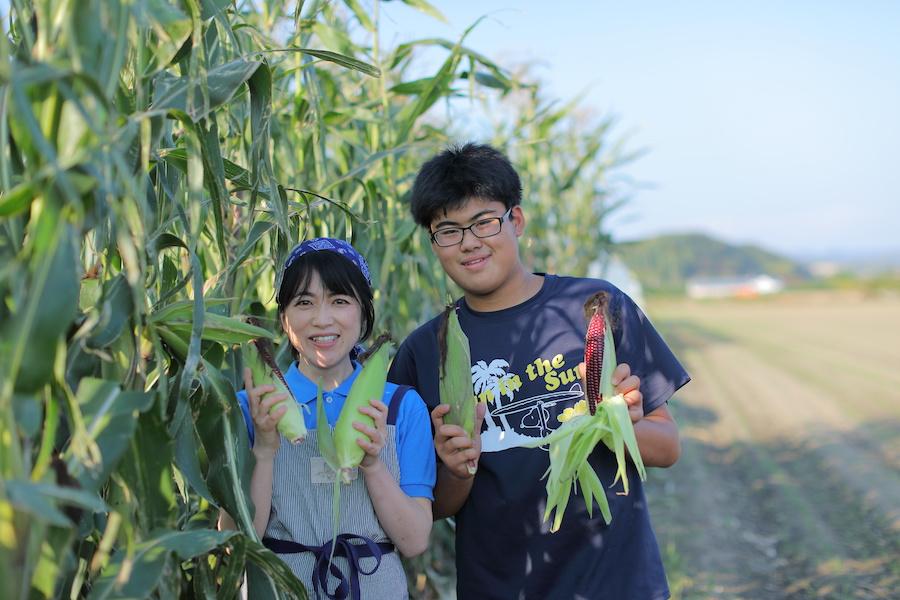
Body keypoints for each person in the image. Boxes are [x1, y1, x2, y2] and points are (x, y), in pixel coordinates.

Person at [387, 143, 691, 599]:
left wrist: (621, 426)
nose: (468, 242)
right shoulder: (425, 352)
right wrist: (457, 468)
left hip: (617, 584)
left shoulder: (596, 307)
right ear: (434, 243)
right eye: (447, 230)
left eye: (484, 221)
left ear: (517, 221)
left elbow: (667, 447)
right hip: (502, 588)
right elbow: (428, 507)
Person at [226, 238, 435, 600]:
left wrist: (372, 465)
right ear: (283, 318)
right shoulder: (252, 407)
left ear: (364, 312)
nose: (322, 319)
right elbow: (236, 541)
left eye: (340, 301)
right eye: (304, 303)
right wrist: (263, 449)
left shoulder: (402, 407)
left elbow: (415, 540)